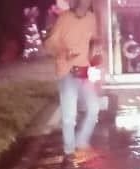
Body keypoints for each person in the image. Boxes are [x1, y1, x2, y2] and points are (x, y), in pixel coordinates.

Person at [43, 0, 101, 159]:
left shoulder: (91, 18)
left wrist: (96, 52)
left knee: (94, 108)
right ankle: (69, 151)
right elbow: (50, 43)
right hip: (67, 72)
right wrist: (63, 52)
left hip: (86, 72)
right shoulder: (64, 19)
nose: (85, 2)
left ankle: (81, 142)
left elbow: (94, 40)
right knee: (69, 117)